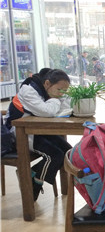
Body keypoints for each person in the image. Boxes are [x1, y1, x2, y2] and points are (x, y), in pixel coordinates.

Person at [5, 69, 72, 201]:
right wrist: (56, 100)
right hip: (20, 134)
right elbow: (47, 111)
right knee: (54, 156)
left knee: (68, 152)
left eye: (65, 91)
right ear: (47, 83)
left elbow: (66, 107)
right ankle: (33, 189)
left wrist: (58, 99)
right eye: (59, 90)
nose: (61, 94)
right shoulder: (28, 91)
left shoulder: (48, 91)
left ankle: (30, 174)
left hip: (40, 131)